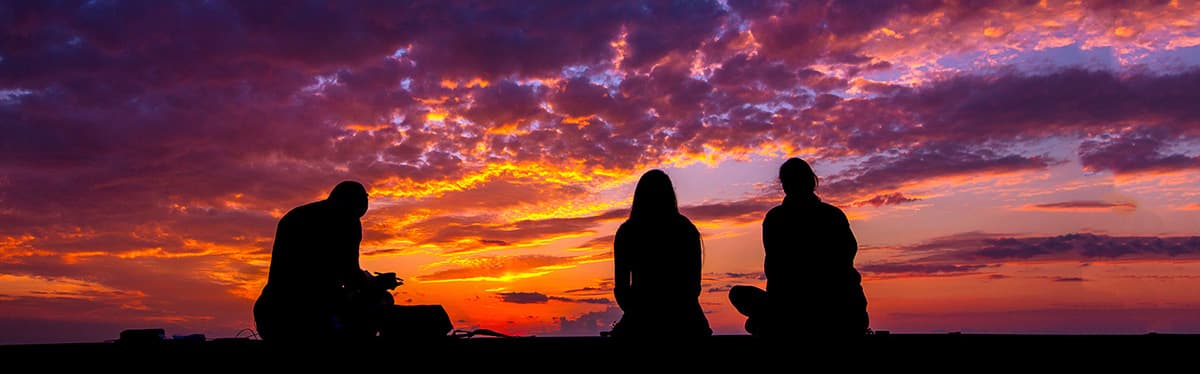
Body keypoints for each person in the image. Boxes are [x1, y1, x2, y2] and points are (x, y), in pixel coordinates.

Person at [728, 158, 868, 337]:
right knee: (739, 295)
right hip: (812, 306)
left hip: (830, 305)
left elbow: (778, 270)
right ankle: (781, 321)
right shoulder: (779, 217)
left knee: (755, 319)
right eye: (786, 181)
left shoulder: (824, 216)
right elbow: (776, 269)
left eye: (790, 181)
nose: (788, 186)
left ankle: (781, 323)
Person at [253, 181, 402, 342]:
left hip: (269, 315)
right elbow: (349, 274)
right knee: (382, 301)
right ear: (352, 203)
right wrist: (376, 284)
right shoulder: (347, 222)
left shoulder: (296, 216)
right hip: (308, 318)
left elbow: (343, 273)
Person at [610, 170, 712, 338]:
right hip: (687, 322)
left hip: (640, 321)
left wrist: (640, 313)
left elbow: (621, 289)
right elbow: (693, 287)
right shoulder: (686, 229)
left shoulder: (627, 232)